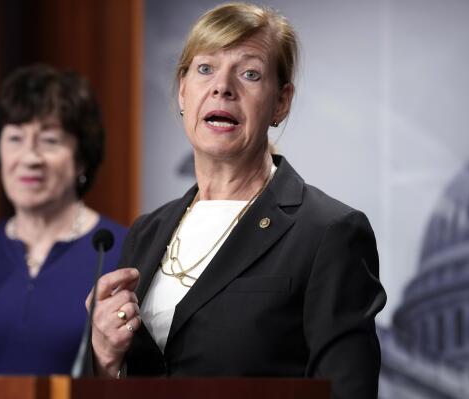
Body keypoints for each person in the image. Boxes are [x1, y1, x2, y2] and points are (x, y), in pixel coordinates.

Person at [87, 3, 386, 398]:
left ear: (281, 102)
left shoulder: (329, 232)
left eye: (249, 74)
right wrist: (106, 360)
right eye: (205, 68)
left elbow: (347, 391)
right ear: (182, 91)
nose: (222, 86)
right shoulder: (146, 233)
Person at [0, 64, 128, 375]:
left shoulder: (118, 250)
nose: (30, 158)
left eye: (50, 140)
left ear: (81, 157)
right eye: (16, 138)